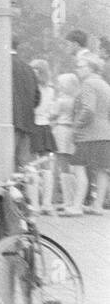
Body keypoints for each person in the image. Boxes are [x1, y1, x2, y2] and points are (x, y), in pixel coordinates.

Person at [68, 50, 110, 215]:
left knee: (79, 168)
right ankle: (97, 206)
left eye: (80, 66)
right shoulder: (105, 85)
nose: (77, 70)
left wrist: (76, 126)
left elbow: (88, 110)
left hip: (88, 135)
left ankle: (76, 206)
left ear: (90, 68)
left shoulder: (88, 84)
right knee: (101, 170)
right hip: (105, 133)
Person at [29, 58, 57, 212]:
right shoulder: (50, 89)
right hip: (45, 128)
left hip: (35, 126)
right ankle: (46, 203)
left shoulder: (34, 89)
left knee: (32, 166)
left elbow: (34, 109)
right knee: (46, 167)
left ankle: (35, 204)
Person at [52, 72, 80, 214]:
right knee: (69, 165)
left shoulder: (61, 100)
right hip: (70, 132)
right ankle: (72, 198)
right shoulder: (75, 100)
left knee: (62, 165)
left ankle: (68, 200)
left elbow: (52, 114)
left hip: (61, 130)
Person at [11, 44, 40, 169]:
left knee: (6, 162)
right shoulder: (29, 69)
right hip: (27, 123)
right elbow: (37, 97)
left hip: (9, 123)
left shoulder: (2, 65)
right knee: (25, 165)